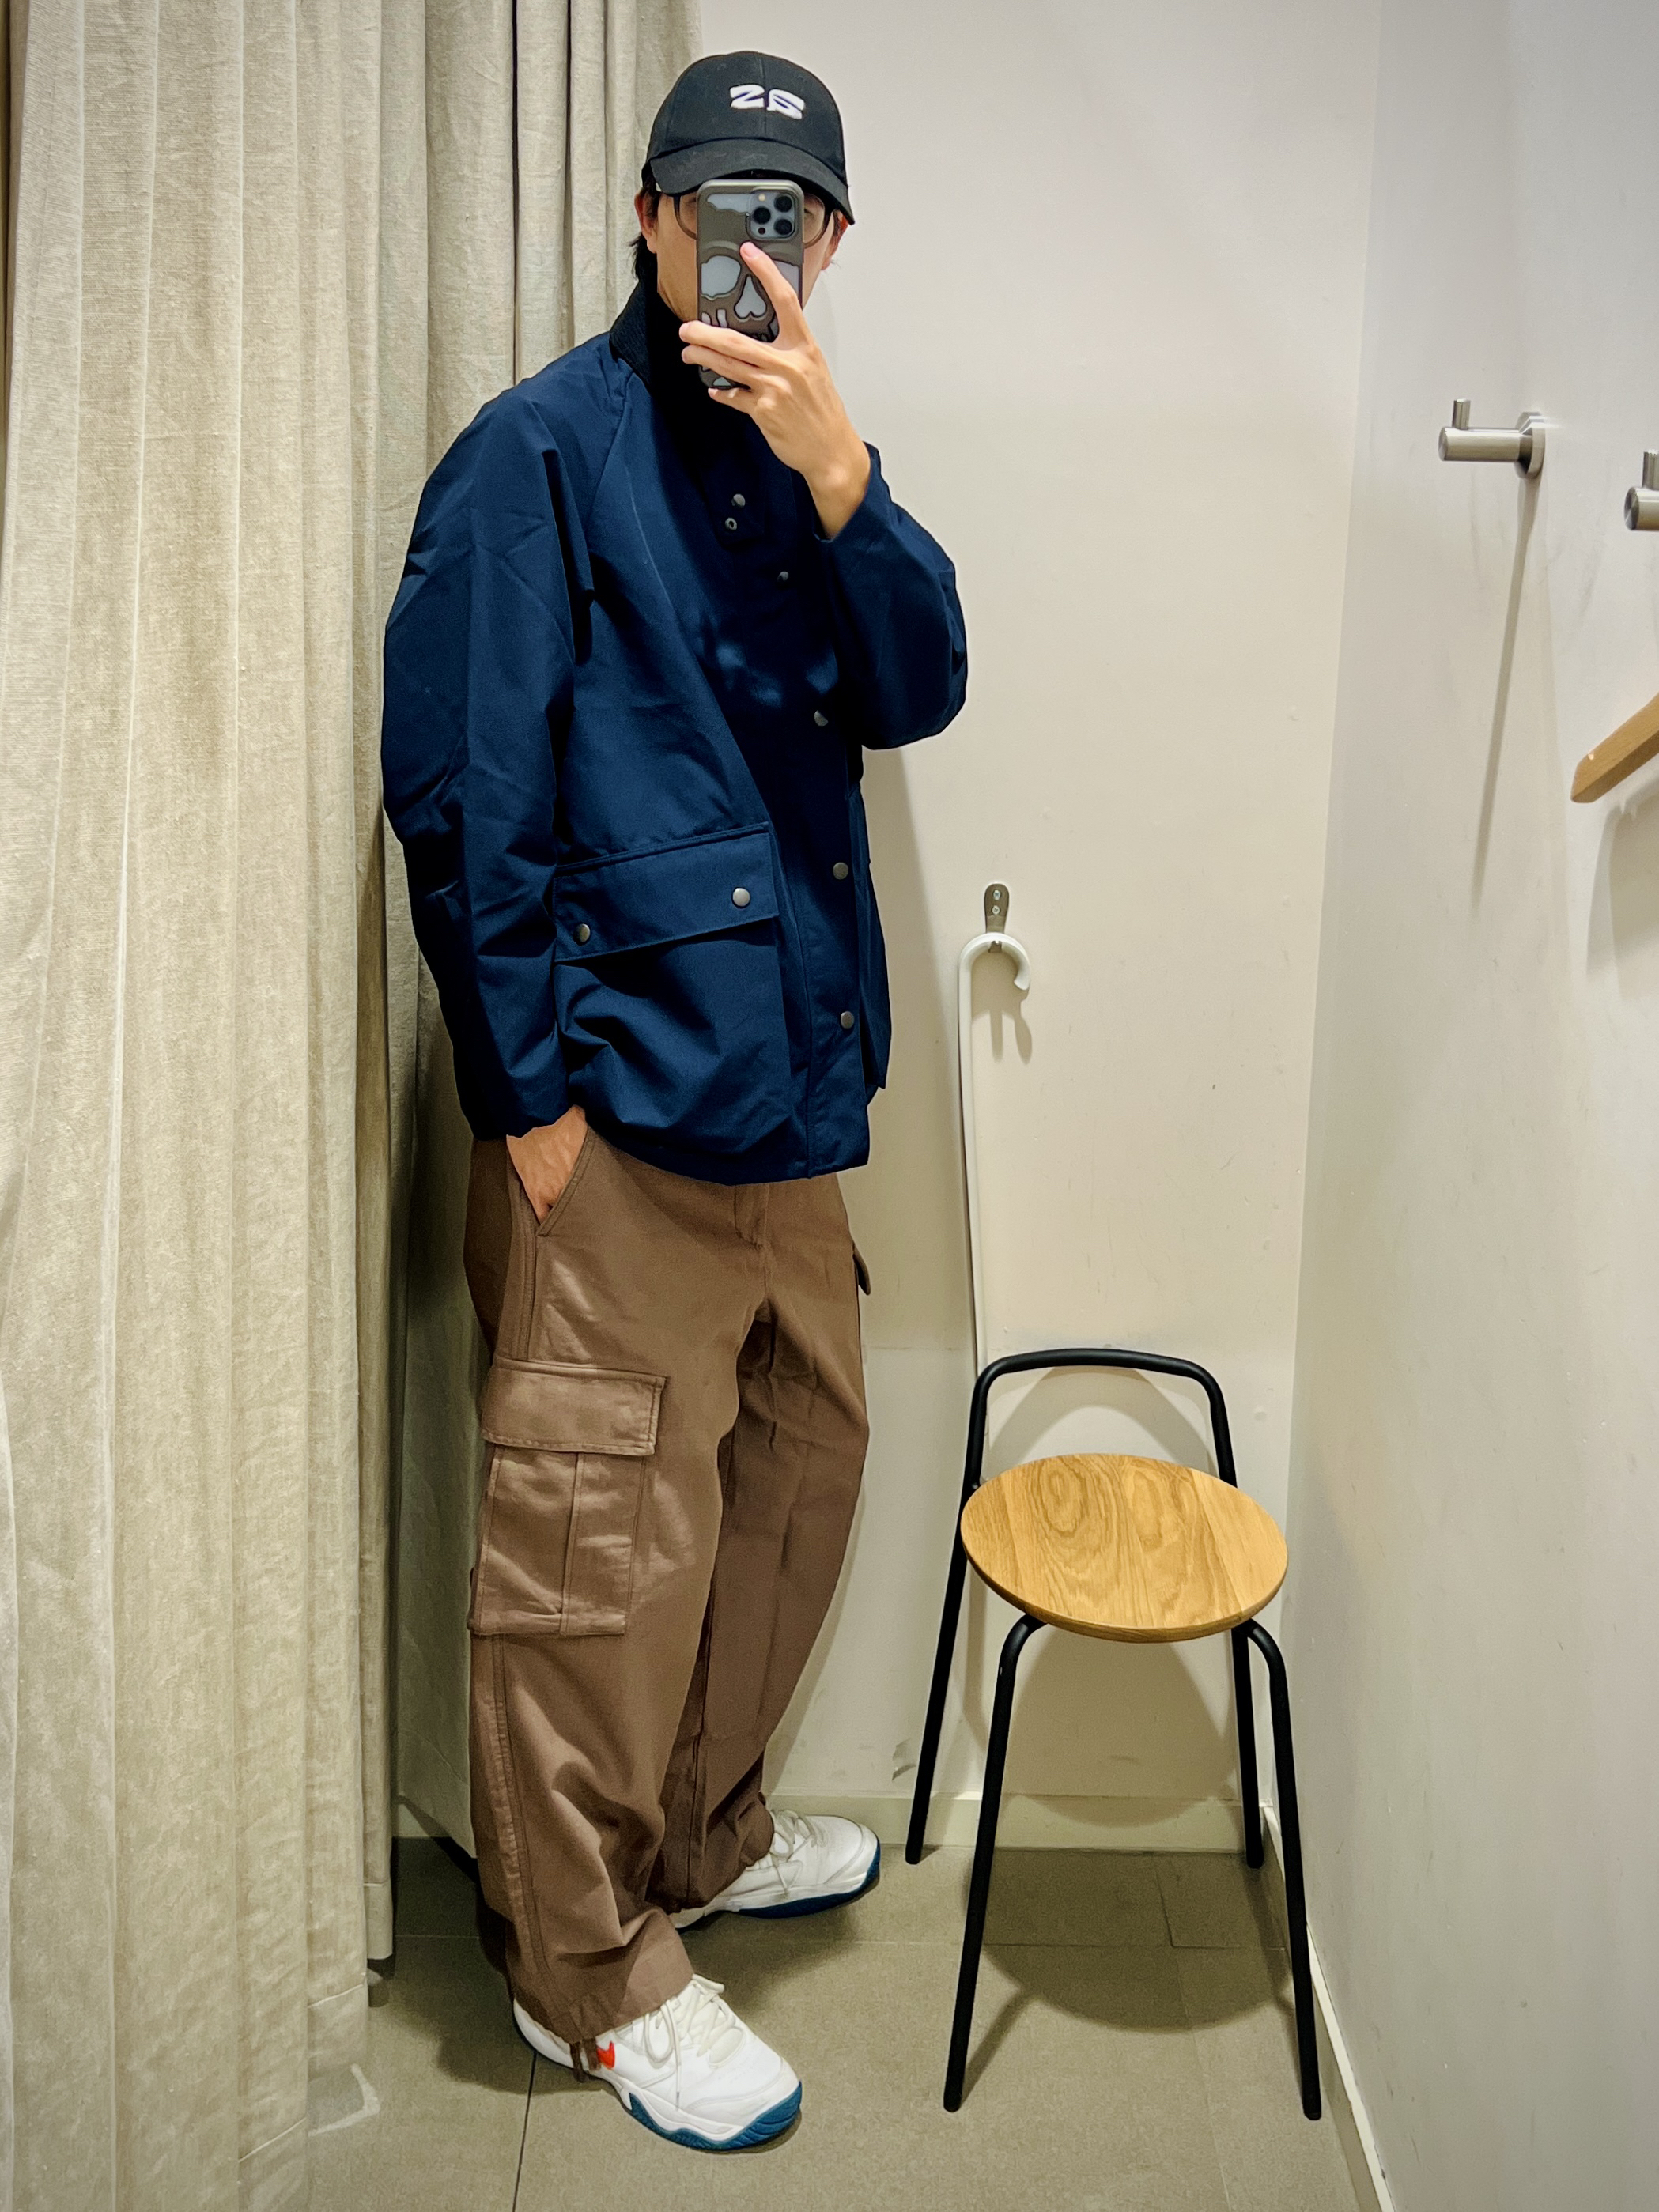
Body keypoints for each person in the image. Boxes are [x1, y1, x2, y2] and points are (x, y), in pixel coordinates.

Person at [381, 48, 966, 2152]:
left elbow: (922, 685)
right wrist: (526, 1103)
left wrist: (843, 476)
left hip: (789, 1099)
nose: (747, 245)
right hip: (613, 1118)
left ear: (830, 241)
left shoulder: (815, 456)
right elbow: (462, 795)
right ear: (647, 218)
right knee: (595, 1547)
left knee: (799, 1475)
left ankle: (693, 1841)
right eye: (714, 206)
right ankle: (582, 1970)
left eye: (785, 216)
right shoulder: (537, 452)